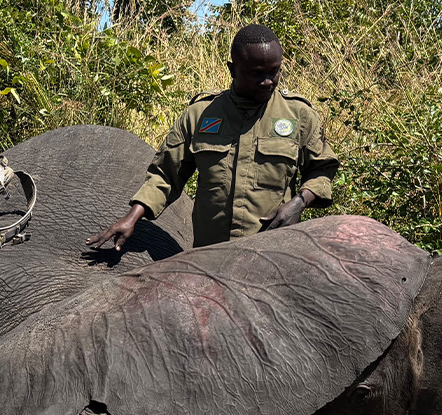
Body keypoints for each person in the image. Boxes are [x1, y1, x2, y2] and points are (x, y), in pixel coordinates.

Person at [86, 24, 338, 250]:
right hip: (210, 256)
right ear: (232, 69)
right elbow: (166, 175)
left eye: (274, 72)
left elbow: (322, 170)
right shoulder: (200, 115)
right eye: (256, 74)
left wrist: (298, 203)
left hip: (273, 252)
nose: (267, 82)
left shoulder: (299, 115)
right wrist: (131, 218)